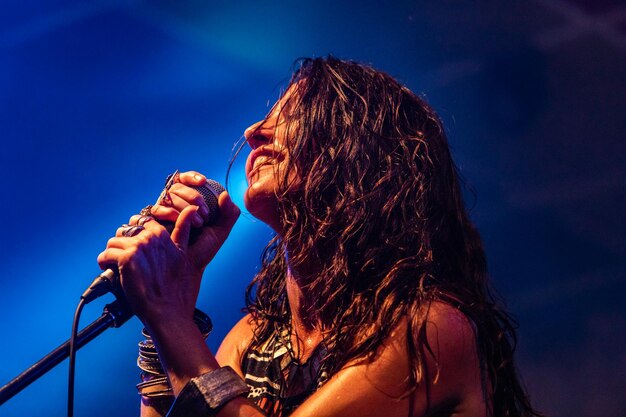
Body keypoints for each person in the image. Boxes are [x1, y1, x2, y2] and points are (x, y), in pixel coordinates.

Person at [97, 56, 542, 417]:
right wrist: (166, 309)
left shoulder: (429, 331)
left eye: (292, 115)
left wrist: (171, 318)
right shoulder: (254, 341)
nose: (255, 132)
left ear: (358, 154)